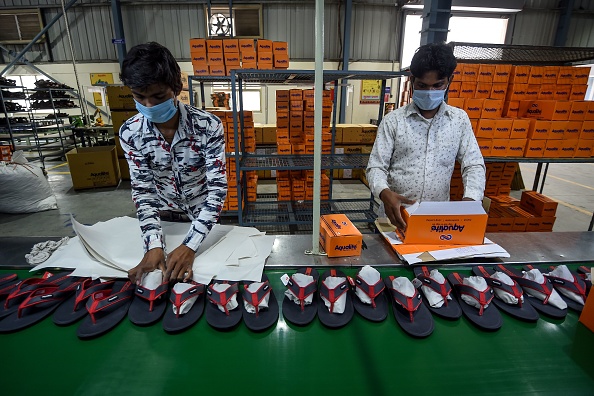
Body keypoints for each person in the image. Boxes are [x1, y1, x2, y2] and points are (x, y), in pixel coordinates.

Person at [119, 42, 227, 284]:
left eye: (158, 97)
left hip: (202, 220)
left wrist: (190, 245)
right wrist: (153, 243)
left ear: (176, 88)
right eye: (139, 97)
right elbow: (143, 191)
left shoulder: (208, 126)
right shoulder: (130, 133)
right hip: (163, 220)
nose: (149, 106)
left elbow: (217, 190)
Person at [366, 42, 485, 230]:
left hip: (437, 221)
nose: (430, 93)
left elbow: (473, 164)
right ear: (412, 80)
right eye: (422, 85)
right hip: (395, 217)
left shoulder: (458, 121)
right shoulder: (393, 121)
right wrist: (383, 192)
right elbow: (376, 166)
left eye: (438, 85)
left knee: (430, 260)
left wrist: (470, 199)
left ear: (449, 81)